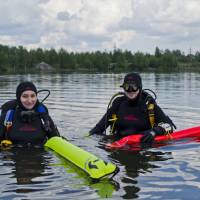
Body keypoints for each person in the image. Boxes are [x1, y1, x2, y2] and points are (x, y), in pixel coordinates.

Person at [89, 72, 175, 143]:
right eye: (127, 87)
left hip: (143, 149)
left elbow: (170, 126)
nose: (130, 90)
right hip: (118, 148)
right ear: (124, 88)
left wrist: (154, 132)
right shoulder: (117, 104)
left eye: (134, 86)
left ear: (139, 87)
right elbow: (97, 129)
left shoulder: (149, 106)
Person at [0, 81, 59, 146]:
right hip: (12, 155)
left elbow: (56, 140)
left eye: (33, 96)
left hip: (40, 154)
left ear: (36, 97)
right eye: (25, 96)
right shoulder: (7, 117)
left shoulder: (44, 118)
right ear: (19, 98)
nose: (30, 100)